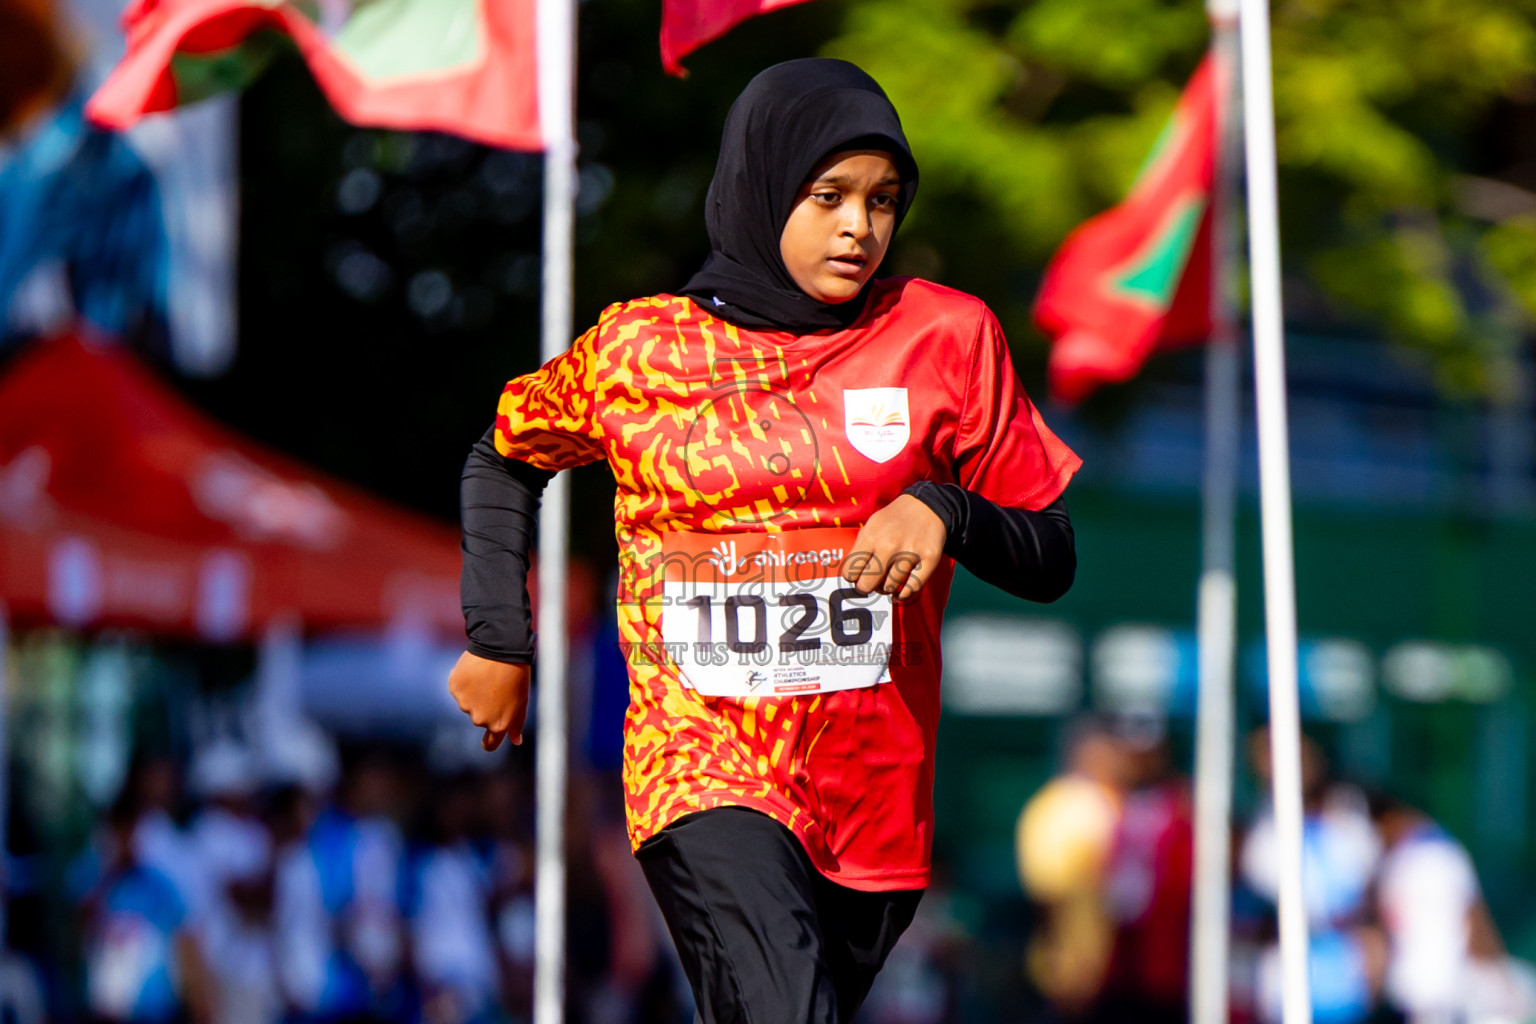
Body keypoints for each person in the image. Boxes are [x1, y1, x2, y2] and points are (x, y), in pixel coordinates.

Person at [449, 58, 1080, 1024]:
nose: (859, 227)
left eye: (882, 200)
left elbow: (1051, 552)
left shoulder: (945, 338)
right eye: (829, 196)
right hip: (700, 769)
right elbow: (503, 457)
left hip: (872, 804)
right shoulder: (639, 350)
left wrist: (947, 512)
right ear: (763, 183)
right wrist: (499, 636)